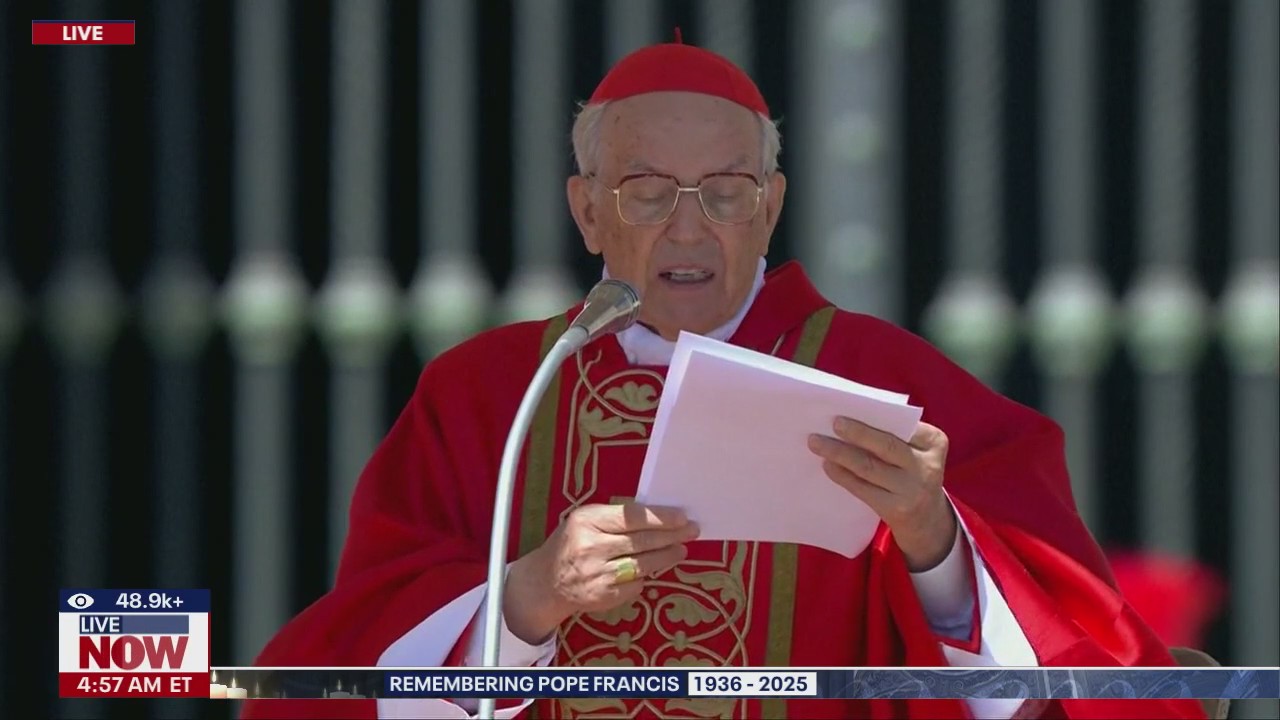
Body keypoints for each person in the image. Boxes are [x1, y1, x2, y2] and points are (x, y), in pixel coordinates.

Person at [241, 36, 1205, 720]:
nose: (690, 227)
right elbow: (353, 668)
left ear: (772, 206)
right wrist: (531, 596)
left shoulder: (889, 379)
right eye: (647, 192)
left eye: (728, 193)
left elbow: (1067, 653)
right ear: (586, 212)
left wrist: (931, 537)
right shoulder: (489, 392)